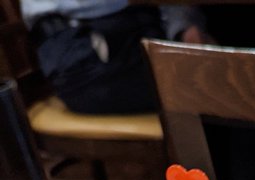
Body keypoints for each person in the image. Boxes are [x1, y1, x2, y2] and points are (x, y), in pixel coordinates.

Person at [21, 0, 207, 115]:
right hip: (78, 43)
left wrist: (184, 27)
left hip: (147, 28)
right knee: (205, 86)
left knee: (207, 79)